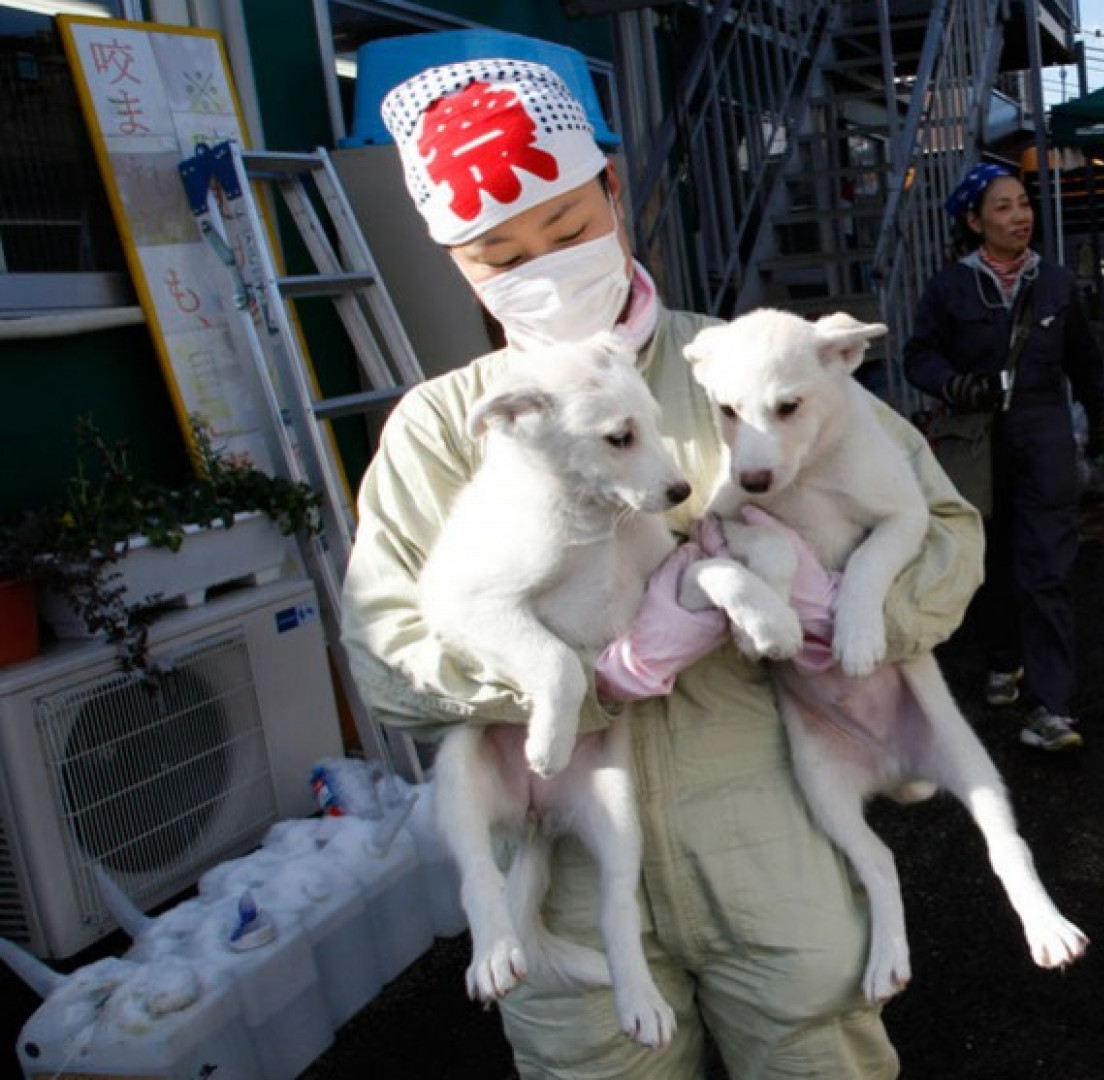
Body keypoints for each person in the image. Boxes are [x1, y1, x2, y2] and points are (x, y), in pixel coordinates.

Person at [339, 35, 984, 1080]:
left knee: (816, 1052)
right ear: (455, 260)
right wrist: (588, 676)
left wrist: (850, 612)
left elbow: (943, 530)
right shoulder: (444, 427)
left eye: (567, 224)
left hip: (764, 833)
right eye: (501, 256)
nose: (544, 267)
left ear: (615, 189)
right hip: (567, 874)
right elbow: (385, 650)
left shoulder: (741, 363)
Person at [903, 162, 1104, 752]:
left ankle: (1052, 708)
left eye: (1023, 203)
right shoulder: (949, 288)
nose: (1020, 216)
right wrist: (952, 384)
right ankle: (1002, 657)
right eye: (1002, 207)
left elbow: (1086, 362)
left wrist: (1096, 423)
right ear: (974, 221)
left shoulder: (1058, 284)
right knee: (988, 560)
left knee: (1047, 570)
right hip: (977, 441)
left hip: (1044, 436)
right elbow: (919, 356)